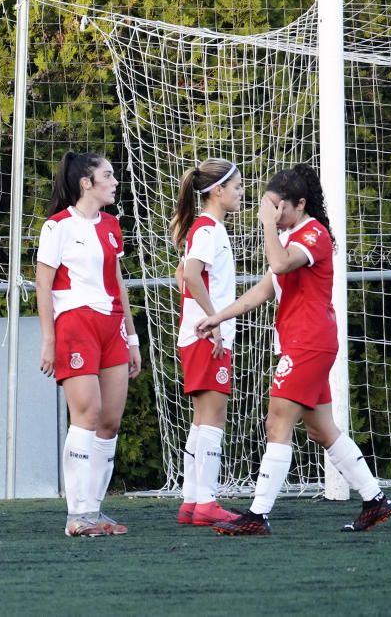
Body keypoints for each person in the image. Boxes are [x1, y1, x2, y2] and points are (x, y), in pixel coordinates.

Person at [196, 163, 391, 535]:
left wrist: (268, 225)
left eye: (277, 207)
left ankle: (258, 515)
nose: (272, 214)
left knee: (277, 423)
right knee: (322, 430)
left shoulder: (314, 234)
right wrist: (217, 317)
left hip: (309, 342)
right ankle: (375, 499)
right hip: (303, 342)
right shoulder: (291, 236)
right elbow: (262, 290)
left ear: (299, 204)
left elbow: (279, 263)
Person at [36, 151, 142, 538]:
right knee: (87, 413)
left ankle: (94, 512)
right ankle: (76, 514)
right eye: (108, 176)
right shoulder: (57, 227)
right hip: (76, 324)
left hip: (111, 326)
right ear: (86, 183)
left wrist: (131, 338)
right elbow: (43, 286)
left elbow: (118, 283)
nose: (115, 182)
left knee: (110, 420)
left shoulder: (112, 225)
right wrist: (49, 340)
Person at [170, 159, 243, 527]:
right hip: (206, 336)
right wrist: (214, 320)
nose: (241, 193)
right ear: (217, 191)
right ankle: (207, 502)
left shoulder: (205, 229)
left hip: (198, 333)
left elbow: (183, 274)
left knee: (202, 421)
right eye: (236, 187)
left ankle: (192, 501)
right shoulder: (207, 229)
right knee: (213, 419)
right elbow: (193, 277)